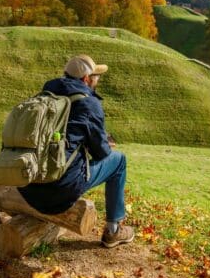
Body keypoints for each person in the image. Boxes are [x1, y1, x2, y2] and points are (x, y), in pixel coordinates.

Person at [18, 55, 134, 248]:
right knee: (118, 161)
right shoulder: (89, 103)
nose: (99, 80)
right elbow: (101, 154)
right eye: (96, 76)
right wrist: (101, 142)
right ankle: (114, 230)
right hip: (58, 192)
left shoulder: (44, 96)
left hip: (27, 185)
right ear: (86, 79)